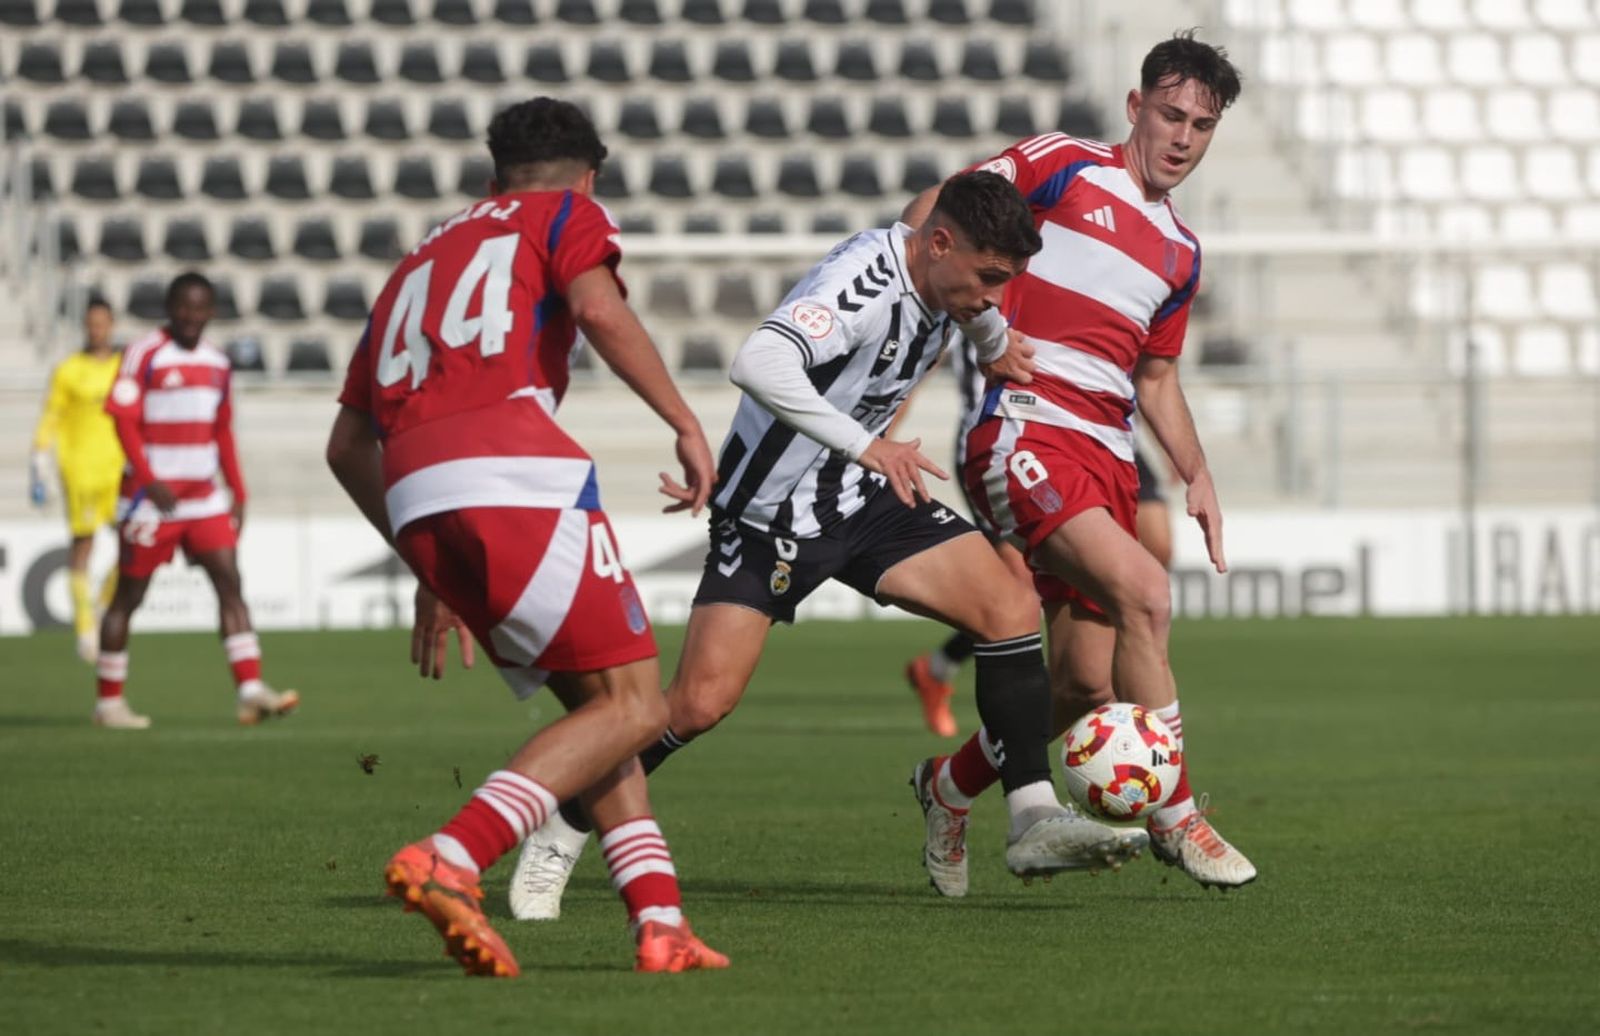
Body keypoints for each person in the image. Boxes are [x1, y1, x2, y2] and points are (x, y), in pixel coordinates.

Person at [507, 170, 1149, 921]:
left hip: (862, 498)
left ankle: (1031, 818)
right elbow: (758, 363)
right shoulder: (864, 284)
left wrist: (996, 342)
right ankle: (566, 822)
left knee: (1009, 603)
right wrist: (869, 446)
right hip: (772, 514)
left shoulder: (951, 281)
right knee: (699, 703)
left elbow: (975, 310)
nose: (991, 296)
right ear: (939, 242)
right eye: (987, 279)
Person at [325, 97, 727, 977]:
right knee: (638, 706)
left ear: (488, 177)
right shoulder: (566, 214)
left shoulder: (416, 261)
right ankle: (454, 855)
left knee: (601, 714)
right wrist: (685, 421)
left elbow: (346, 444)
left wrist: (425, 559)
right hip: (515, 470)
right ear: (591, 177)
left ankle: (660, 924)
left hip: (422, 493)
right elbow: (599, 309)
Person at [904, 31, 1258, 892]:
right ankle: (1179, 817)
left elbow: (1159, 376)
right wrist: (975, 322)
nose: (1182, 137)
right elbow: (941, 209)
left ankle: (947, 790)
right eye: (1169, 114)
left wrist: (1198, 472)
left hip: (1107, 452)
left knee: (1081, 685)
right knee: (1148, 591)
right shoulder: (1065, 166)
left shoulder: (1182, 252)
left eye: (1201, 125)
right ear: (1135, 108)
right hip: (1025, 426)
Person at [92, 273, 299, 730]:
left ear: (212, 312)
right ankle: (108, 704)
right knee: (130, 595)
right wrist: (150, 479)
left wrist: (238, 491)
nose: (190, 316)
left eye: (199, 308)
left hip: (203, 497)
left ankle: (251, 690)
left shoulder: (217, 364)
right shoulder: (144, 353)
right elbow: (123, 421)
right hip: (151, 499)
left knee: (229, 581)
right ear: (170, 307)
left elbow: (222, 430)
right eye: (182, 307)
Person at [904, 436, 1172, 733]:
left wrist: (1171, 448)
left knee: (1157, 550)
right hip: (1015, 441)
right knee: (1022, 588)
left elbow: (1152, 387)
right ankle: (955, 683)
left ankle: (1102, 673)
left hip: (1111, 437)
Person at [30, 300, 124, 663]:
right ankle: (85, 628)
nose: (97, 330)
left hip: (119, 470)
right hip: (82, 471)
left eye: (102, 323)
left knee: (133, 545)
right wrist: (40, 457)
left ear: (111, 324)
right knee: (83, 546)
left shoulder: (123, 368)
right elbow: (51, 415)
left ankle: (101, 606)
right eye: (91, 324)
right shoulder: (69, 370)